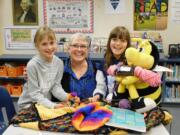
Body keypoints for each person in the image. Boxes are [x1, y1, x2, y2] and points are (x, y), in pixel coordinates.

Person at [104, 26, 161, 107]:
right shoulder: (105, 59)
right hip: (111, 100)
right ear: (109, 41)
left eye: (122, 40)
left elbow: (151, 78)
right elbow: (102, 83)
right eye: (114, 39)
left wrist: (137, 71)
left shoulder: (134, 60)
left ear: (128, 44)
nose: (118, 43)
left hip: (132, 103)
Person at [18, 26, 70, 110]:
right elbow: (34, 94)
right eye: (44, 44)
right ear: (37, 46)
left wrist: (67, 97)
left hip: (45, 104)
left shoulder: (59, 63)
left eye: (52, 43)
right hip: (28, 105)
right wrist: (53, 106)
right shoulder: (32, 65)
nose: (49, 47)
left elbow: (55, 87)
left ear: (56, 43)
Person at [61, 33, 107, 102]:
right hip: (67, 110)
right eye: (75, 45)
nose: (79, 49)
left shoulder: (97, 69)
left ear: (88, 50)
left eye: (83, 46)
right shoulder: (61, 69)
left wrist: (97, 96)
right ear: (68, 48)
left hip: (91, 110)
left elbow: (101, 88)